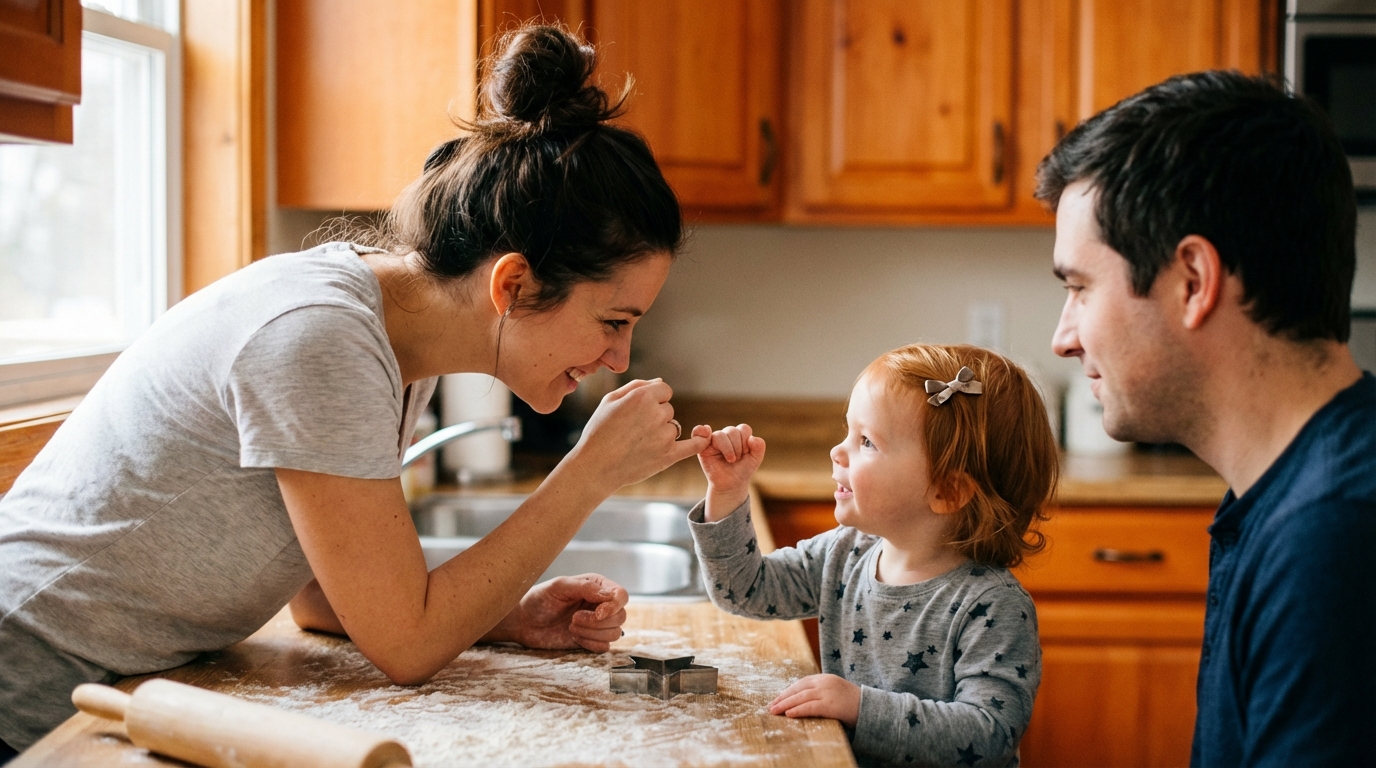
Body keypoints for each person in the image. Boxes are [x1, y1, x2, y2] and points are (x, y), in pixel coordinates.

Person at [0, 24, 711, 757]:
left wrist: (508, 618)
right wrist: (589, 471)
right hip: (26, 693)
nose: (620, 358)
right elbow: (406, 645)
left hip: (117, 690)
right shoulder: (323, 339)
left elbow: (323, 592)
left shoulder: (396, 341)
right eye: (613, 320)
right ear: (514, 283)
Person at [1038, 70, 1376, 766]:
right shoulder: (1292, 485)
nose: (1063, 337)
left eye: (1079, 288)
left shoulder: (1332, 538)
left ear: (1193, 281)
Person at [686, 344, 1058, 767]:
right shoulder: (845, 552)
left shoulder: (992, 606)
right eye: (848, 432)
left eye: (866, 442)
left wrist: (860, 706)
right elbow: (744, 589)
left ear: (947, 491)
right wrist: (728, 492)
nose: (837, 452)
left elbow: (987, 736)